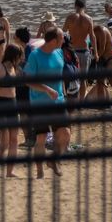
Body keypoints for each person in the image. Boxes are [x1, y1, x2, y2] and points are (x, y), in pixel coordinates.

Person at [23, 28, 71, 178]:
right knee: (41, 138)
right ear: (53, 40)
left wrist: (64, 94)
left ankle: (53, 160)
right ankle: (39, 171)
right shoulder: (35, 56)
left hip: (59, 101)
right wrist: (47, 89)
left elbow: (60, 76)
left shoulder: (59, 53)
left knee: (66, 133)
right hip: (40, 103)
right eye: (62, 38)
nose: (64, 40)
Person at [0, 45, 24, 178]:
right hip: (1, 105)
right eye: (19, 56)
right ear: (13, 55)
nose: (21, 59)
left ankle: (10, 171)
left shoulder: (15, 68)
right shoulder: (0, 68)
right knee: (4, 142)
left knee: (14, 140)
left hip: (13, 105)